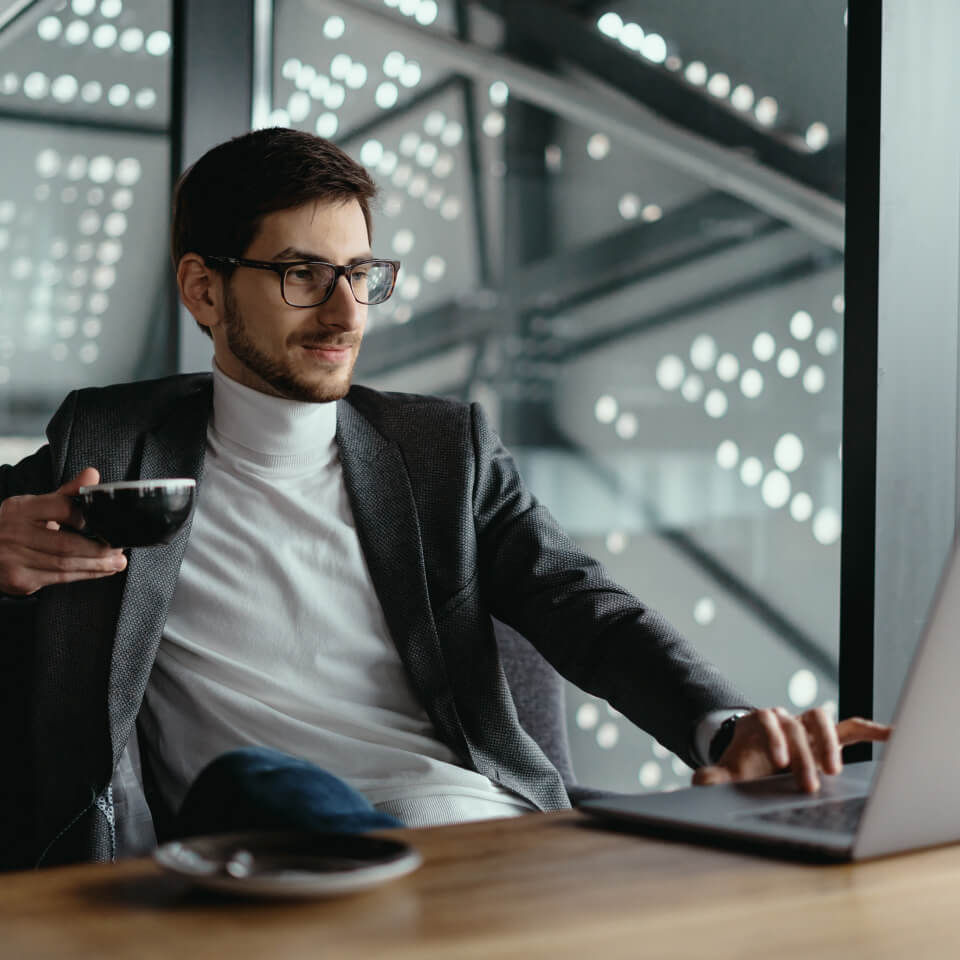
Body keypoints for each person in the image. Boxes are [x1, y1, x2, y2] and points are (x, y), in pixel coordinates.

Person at [0, 128, 890, 870]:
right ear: (204, 286)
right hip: (262, 844)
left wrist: (726, 728)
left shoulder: (441, 452)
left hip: (471, 832)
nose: (347, 314)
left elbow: (585, 606)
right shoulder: (107, 450)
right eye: (303, 275)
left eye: (363, 274)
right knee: (261, 785)